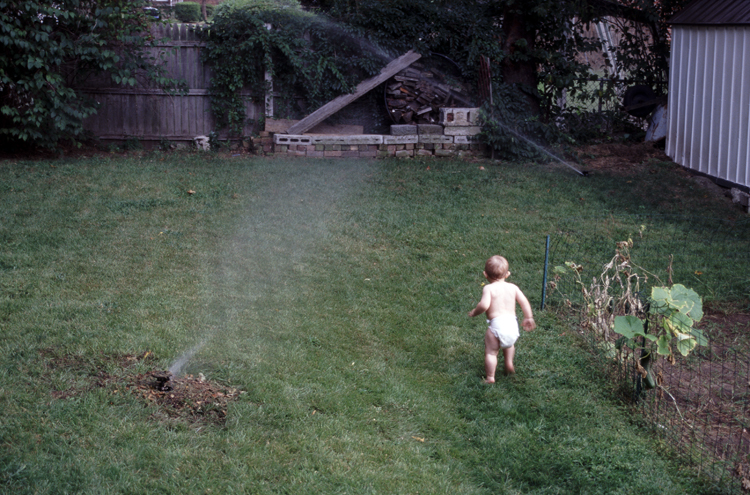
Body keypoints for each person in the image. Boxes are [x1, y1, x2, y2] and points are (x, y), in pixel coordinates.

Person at [468, 255, 536, 382]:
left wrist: (474, 312)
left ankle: (490, 377)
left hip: (496, 325)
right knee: (509, 345)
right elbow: (524, 302)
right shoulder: (513, 288)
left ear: (485, 274)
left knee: (491, 352)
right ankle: (509, 363)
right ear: (507, 274)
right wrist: (529, 317)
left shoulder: (488, 288)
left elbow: (483, 305)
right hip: (512, 325)